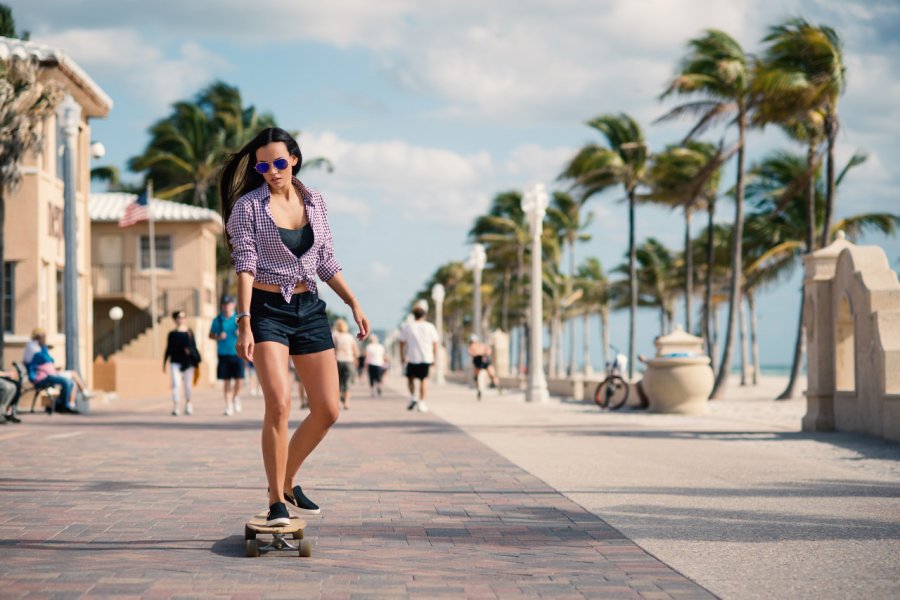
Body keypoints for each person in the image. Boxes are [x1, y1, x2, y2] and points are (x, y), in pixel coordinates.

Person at [222, 127, 369, 527]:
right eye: (264, 165)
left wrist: (352, 302)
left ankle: (287, 481)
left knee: (327, 409)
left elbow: (325, 260)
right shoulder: (248, 208)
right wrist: (245, 320)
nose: (272, 171)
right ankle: (275, 500)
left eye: (280, 162)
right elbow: (246, 266)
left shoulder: (315, 201)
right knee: (280, 403)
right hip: (267, 310)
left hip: (309, 308)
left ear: (295, 160)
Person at [22, 328, 79, 413]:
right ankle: (64, 406)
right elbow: (44, 358)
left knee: (70, 382)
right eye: (43, 336)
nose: (45, 339)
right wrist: (44, 347)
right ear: (38, 337)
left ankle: (60, 404)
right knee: (66, 382)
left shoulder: (40, 347)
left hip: (48, 375)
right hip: (40, 377)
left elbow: (50, 360)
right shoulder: (33, 346)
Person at [399, 299, 440, 413]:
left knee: (410, 379)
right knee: (423, 380)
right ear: (424, 314)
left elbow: (401, 342)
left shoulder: (408, 326)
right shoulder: (430, 326)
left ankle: (413, 397)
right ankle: (421, 402)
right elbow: (435, 343)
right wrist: (435, 358)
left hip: (412, 357)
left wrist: (402, 356)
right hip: (426, 357)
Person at [210, 296, 244, 416]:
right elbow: (210, 334)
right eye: (224, 304)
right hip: (223, 354)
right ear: (222, 306)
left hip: (238, 353)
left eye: (229, 304)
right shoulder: (218, 320)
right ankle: (228, 405)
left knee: (239, 380)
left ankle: (236, 397)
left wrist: (241, 332)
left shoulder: (239, 319)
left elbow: (249, 331)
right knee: (227, 381)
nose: (227, 306)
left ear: (233, 305)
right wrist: (218, 337)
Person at [163, 310, 201, 416]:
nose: (181, 319)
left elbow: (194, 346)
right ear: (175, 319)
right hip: (175, 361)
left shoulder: (189, 332)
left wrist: (190, 352)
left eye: (183, 317)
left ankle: (188, 403)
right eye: (179, 317)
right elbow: (168, 348)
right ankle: (176, 405)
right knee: (176, 384)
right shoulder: (172, 334)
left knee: (188, 385)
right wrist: (164, 362)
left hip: (188, 362)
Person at [332, 319, 358, 410]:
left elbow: (332, 349)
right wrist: (355, 359)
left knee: (337, 383)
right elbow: (356, 351)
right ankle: (347, 403)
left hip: (337, 361)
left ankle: (338, 403)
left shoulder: (334, 335)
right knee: (347, 382)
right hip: (348, 361)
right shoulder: (349, 337)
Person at [467, 334, 500, 398]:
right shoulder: (474, 346)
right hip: (479, 360)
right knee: (477, 376)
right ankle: (479, 390)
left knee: (492, 374)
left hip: (483, 359)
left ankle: (497, 386)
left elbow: (488, 350)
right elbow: (472, 353)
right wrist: (482, 353)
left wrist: (482, 353)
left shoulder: (477, 346)